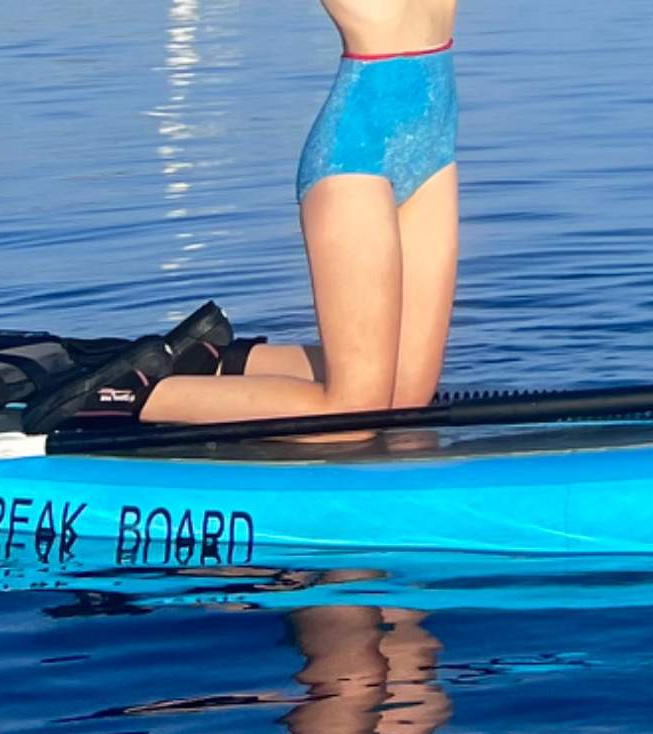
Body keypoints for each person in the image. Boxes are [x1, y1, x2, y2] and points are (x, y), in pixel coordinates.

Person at [135, 0, 462, 427]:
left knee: (408, 396)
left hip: (432, 151)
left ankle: (214, 359)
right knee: (353, 415)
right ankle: (121, 394)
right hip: (355, 156)